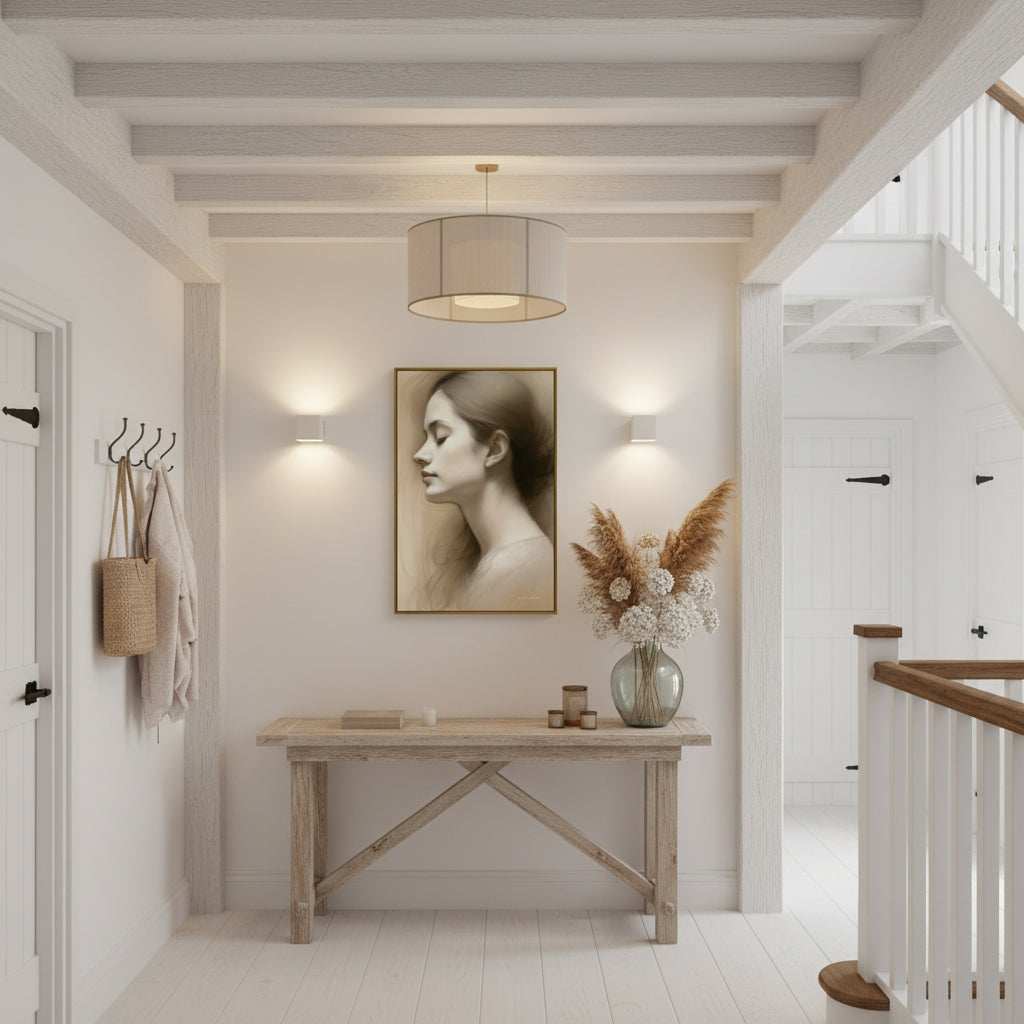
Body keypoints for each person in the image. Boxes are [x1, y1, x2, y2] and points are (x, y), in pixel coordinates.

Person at [411, 370, 554, 611]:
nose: (420, 455)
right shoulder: (504, 561)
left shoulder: (518, 567)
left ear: (495, 449)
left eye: (441, 437)